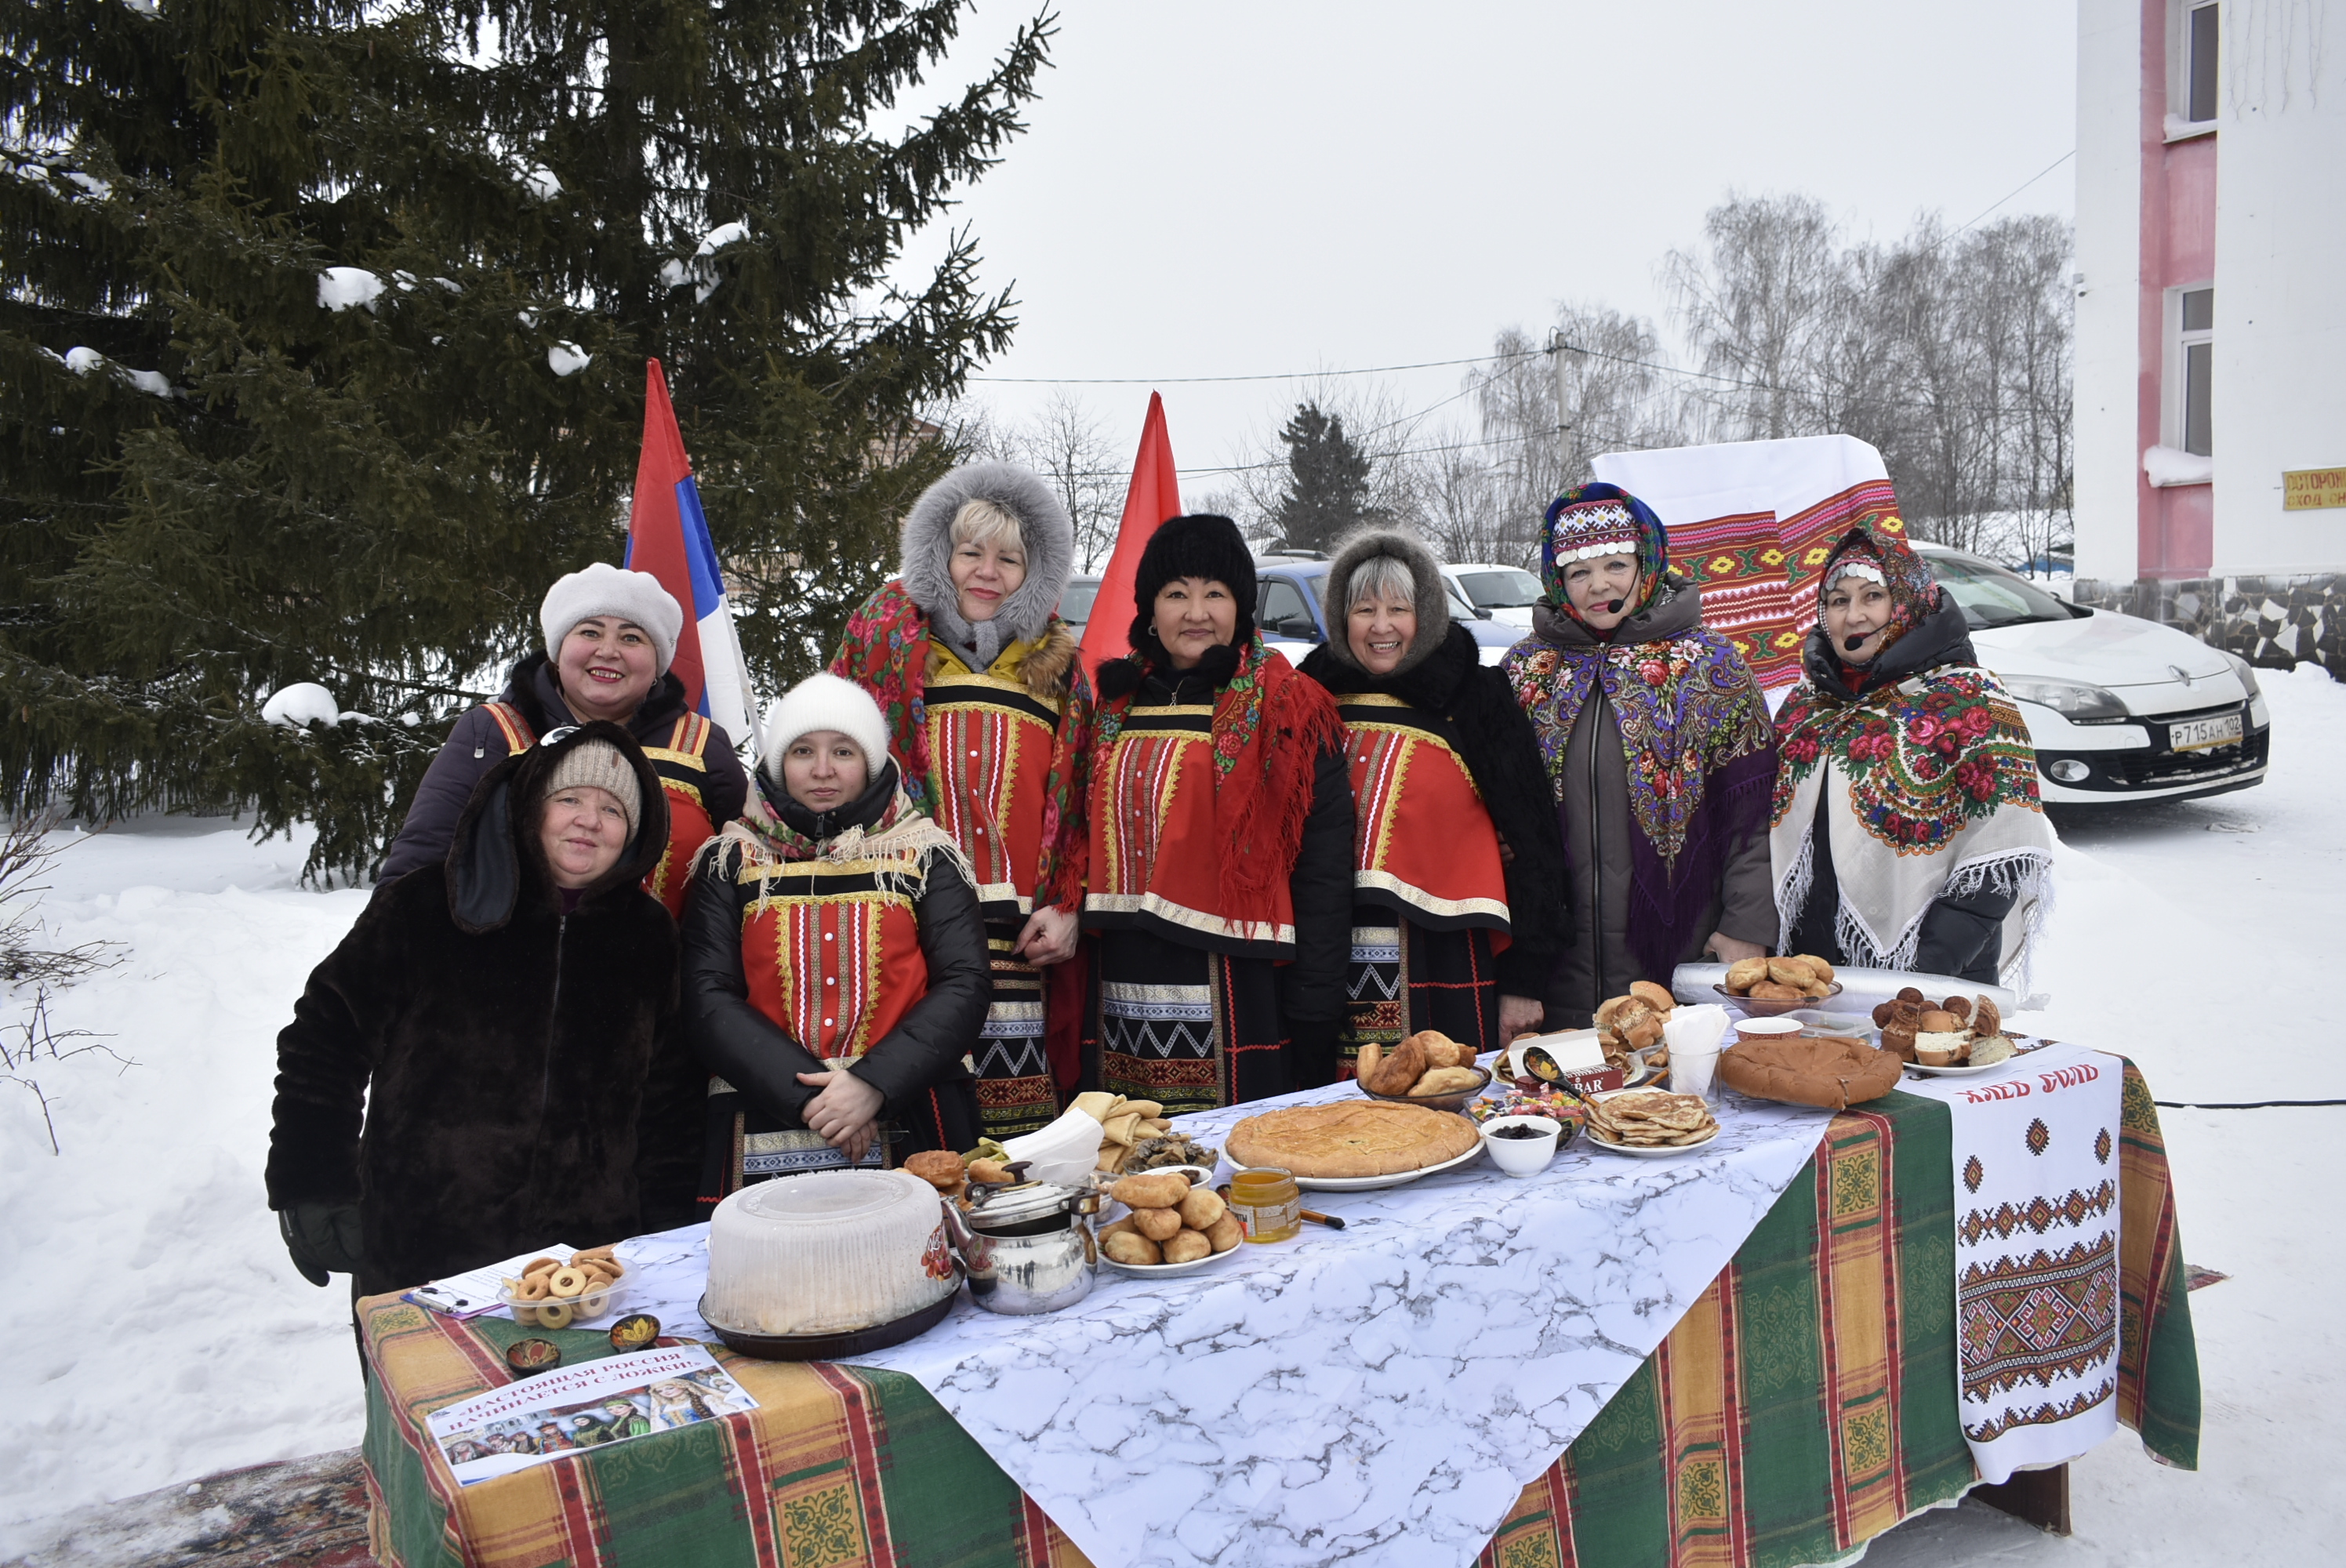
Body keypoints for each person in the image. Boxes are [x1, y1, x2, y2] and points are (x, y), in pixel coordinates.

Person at [267, 724, 704, 1299]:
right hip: (420, 1247)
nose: (589, 821)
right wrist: (312, 1177)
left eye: (613, 810)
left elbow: (669, 1101)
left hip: (584, 1264)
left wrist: (663, 1233)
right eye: (569, 799)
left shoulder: (649, 937)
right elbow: (325, 1039)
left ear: (636, 833)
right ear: (529, 806)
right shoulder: (425, 906)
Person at [830, 463, 1093, 1140]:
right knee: (912, 1130)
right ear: (940, 556)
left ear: (1033, 572)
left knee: (1013, 1147)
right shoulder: (883, 643)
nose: (987, 572)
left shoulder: (1057, 666)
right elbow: (823, 765)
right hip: (898, 927)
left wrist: (1068, 906)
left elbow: (1084, 800)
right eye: (971, 552)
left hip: (1017, 941)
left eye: (1009, 559)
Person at [1079, 514, 1356, 1108]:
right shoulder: (1114, 706)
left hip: (1240, 986)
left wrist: (1315, 1000)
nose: (1196, 613)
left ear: (1242, 607)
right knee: (1131, 1146)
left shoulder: (1288, 706)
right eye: (1177, 593)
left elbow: (1324, 867)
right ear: (1150, 608)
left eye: (1215, 593)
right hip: (1120, 987)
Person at [681, 673, 987, 1200]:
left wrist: (873, 1083)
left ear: (870, 763)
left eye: (843, 751)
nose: (822, 770)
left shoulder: (925, 853)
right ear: (778, 763)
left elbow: (964, 982)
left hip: (912, 1108)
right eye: (803, 750)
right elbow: (707, 996)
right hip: (762, 1113)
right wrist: (810, 1097)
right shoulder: (730, 859)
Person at [1503, 484, 1779, 1028]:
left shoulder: (1711, 665)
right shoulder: (1524, 672)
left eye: (1615, 565)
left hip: (1679, 958)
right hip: (1554, 972)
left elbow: (1754, 815)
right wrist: (1514, 973)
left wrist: (1746, 927)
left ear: (1646, 563)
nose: (1598, 585)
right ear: (1556, 579)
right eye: (1579, 572)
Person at [1298, 529, 1569, 1067]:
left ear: (1425, 613)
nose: (1382, 627)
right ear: (1340, 618)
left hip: (1444, 958)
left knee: (1445, 1093)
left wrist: (1524, 982)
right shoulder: (1313, 693)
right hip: (1329, 959)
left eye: (1399, 609)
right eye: (1364, 610)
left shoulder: (1475, 696)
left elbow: (1534, 846)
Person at [377, 563, 750, 916]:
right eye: (590, 632)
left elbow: (751, 871)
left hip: (666, 961)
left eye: (632, 637)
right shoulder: (494, 731)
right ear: (558, 651)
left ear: (658, 664)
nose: (608, 651)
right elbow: (422, 859)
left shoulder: (700, 744)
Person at [1772, 521, 2053, 985]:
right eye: (1838, 601)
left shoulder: (1971, 699)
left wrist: (1927, 967)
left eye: (1872, 596)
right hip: (1809, 971)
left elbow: (2002, 852)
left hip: (1932, 974)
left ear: (1907, 600)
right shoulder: (1805, 704)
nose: (1854, 616)